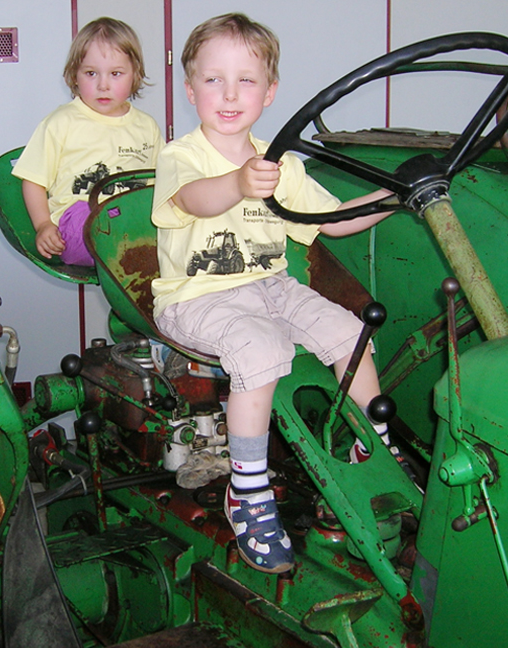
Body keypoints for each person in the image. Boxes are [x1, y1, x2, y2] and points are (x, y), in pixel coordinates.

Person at [151, 13, 395, 574]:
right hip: (196, 296)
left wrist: (394, 195)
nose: (229, 94)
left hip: (271, 286)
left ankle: (374, 446)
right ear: (190, 90)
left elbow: (332, 220)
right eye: (214, 79)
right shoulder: (181, 156)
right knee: (260, 351)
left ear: (269, 92)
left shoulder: (283, 163)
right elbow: (193, 200)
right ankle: (248, 489)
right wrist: (239, 182)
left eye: (246, 80)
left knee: (351, 333)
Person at [13, 17, 164, 266]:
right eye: (91, 73)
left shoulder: (147, 127)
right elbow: (33, 180)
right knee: (90, 220)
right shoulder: (61, 122)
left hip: (129, 220)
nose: (103, 85)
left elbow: (161, 183)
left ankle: (138, 258)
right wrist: (43, 225)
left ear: (134, 75)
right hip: (79, 221)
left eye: (115, 74)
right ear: (75, 75)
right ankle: (131, 258)